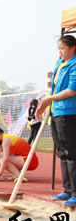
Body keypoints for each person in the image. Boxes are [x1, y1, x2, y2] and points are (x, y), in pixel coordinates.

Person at [37, 35, 76, 206]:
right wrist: (46, 104)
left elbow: (70, 91)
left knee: (70, 152)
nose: (60, 52)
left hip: (69, 112)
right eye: (58, 49)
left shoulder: (74, 64)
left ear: (73, 48)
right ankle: (67, 190)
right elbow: (53, 88)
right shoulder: (59, 64)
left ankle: (75, 191)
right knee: (61, 151)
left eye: (63, 48)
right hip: (57, 112)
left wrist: (50, 99)